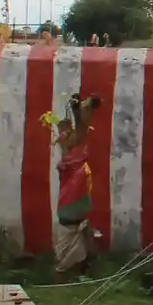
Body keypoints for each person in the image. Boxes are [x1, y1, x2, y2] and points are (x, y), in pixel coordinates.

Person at [51, 93, 103, 277]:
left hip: (73, 204)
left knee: (72, 227)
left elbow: (79, 134)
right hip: (74, 203)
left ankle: (74, 267)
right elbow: (79, 134)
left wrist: (78, 112)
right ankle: (77, 267)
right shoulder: (73, 155)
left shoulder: (73, 155)